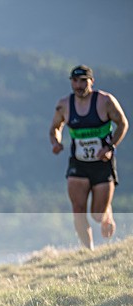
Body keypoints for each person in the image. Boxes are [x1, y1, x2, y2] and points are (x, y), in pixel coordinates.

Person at [50, 64, 128, 250]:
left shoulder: (105, 101)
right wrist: (56, 143)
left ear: (92, 81)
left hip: (102, 164)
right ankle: (88, 251)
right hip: (79, 164)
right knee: (78, 210)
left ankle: (107, 212)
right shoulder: (64, 105)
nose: (78, 85)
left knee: (97, 215)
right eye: (75, 81)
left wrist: (110, 147)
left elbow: (123, 124)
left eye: (83, 81)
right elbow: (55, 128)